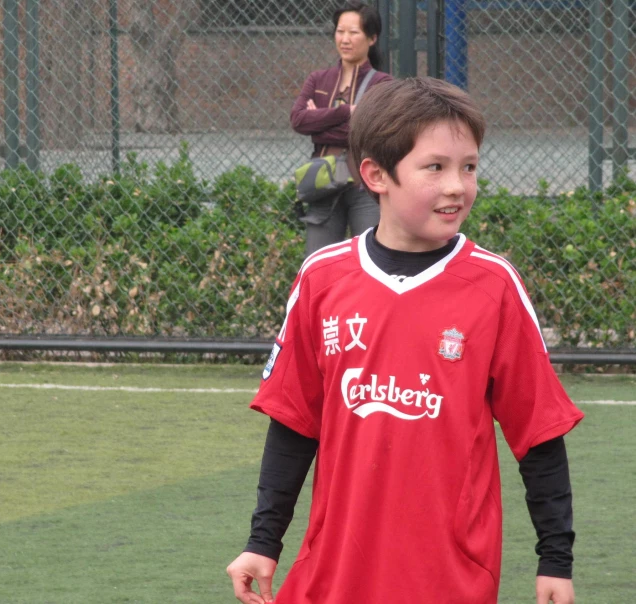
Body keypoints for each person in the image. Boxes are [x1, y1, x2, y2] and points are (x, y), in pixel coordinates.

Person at [228, 77, 584, 604]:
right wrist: (263, 542)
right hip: (334, 573)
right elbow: (294, 423)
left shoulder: (494, 286)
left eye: (469, 167)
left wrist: (556, 559)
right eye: (435, 167)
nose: (457, 186)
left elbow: (538, 435)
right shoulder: (322, 278)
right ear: (376, 174)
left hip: (447, 579)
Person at [290, 1, 394, 256]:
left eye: (353, 32)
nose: (345, 39)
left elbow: (371, 133)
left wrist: (319, 122)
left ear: (372, 38)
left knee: (373, 260)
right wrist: (345, 112)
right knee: (317, 263)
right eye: (340, 31)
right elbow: (298, 120)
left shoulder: (383, 83)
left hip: (366, 186)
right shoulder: (318, 79)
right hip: (323, 183)